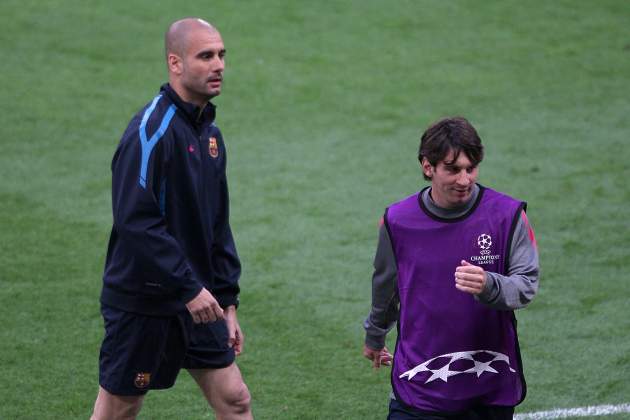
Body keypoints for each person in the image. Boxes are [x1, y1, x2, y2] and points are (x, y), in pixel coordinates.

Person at [91, 18, 252, 420]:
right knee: (120, 409)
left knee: (235, 399)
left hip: (199, 300)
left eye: (221, 55)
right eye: (205, 56)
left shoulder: (209, 134)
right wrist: (188, 288)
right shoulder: (151, 132)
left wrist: (227, 301)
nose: (218, 65)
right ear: (175, 63)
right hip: (145, 300)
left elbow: (216, 223)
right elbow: (135, 221)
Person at [363, 117, 539, 420]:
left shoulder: (507, 216)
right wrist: (376, 335)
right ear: (427, 166)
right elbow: (386, 286)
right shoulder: (397, 221)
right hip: (419, 384)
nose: (464, 180)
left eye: (471, 168)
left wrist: (489, 284)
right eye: (453, 169)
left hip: (489, 384)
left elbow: (526, 286)